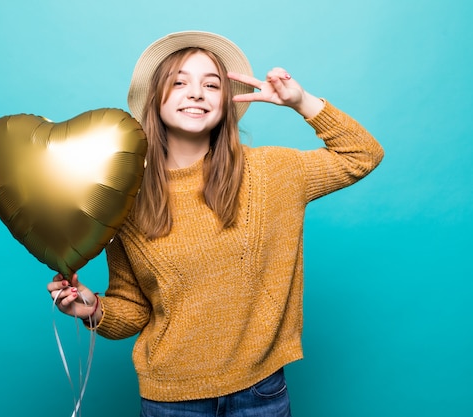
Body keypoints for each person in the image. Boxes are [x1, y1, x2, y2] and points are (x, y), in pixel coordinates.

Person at [47, 30, 384, 416]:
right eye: (179, 83)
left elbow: (362, 154)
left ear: (225, 101)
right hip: (170, 400)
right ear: (155, 98)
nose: (196, 93)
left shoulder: (272, 172)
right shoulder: (127, 201)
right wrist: (92, 309)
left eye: (212, 84)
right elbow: (135, 307)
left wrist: (301, 102)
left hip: (261, 394)